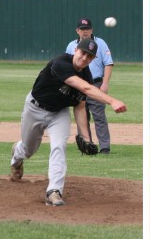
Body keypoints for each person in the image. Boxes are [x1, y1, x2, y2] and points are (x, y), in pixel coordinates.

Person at [10, 38, 127, 206]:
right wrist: (112, 101)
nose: (85, 58)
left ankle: (54, 191)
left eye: (90, 56)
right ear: (76, 50)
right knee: (29, 149)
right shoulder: (61, 63)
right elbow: (86, 89)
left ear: (93, 59)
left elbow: (80, 107)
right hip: (35, 109)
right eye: (83, 53)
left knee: (59, 146)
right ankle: (17, 154)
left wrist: (85, 137)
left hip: (59, 113)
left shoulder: (86, 75)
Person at [66, 18, 113, 154]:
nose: (84, 31)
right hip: (78, 84)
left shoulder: (100, 43)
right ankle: (87, 145)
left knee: (99, 116)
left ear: (91, 30)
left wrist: (104, 83)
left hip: (96, 83)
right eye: (82, 29)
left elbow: (108, 63)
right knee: (82, 115)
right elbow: (67, 65)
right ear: (77, 31)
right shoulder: (71, 46)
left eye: (87, 29)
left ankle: (104, 148)